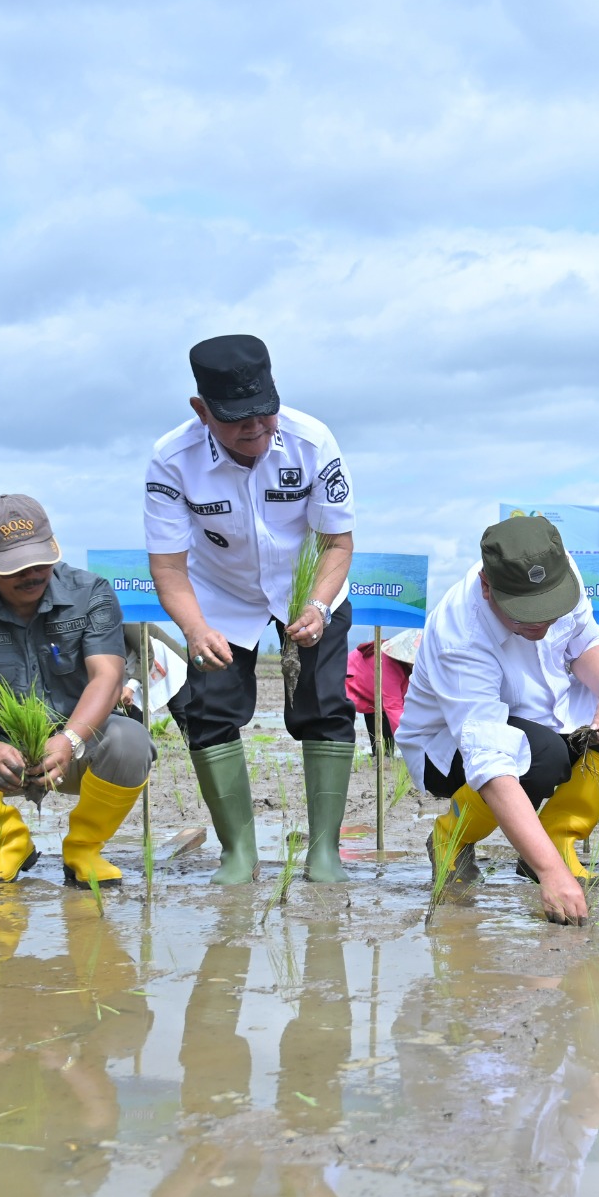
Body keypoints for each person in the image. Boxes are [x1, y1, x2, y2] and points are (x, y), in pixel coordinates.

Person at [144, 335, 357, 885]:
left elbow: (337, 545)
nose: (258, 431)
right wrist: (194, 628)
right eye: (239, 421)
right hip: (218, 596)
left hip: (309, 589)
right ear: (201, 410)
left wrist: (316, 604)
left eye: (266, 415)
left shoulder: (313, 442)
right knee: (209, 711)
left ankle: (325, 852)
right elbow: (169, 567)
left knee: (325, 708)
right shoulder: (172, 460)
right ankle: (238, 852)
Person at [400, 516, 599, 925]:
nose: (541, 623)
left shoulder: (560, 568)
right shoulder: (461, 632)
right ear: (487, 587)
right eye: (525, 616)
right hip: (452, 747)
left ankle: (558, 838)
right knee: (542, 756)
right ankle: (451, 837)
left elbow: (583, 636)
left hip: (551, 713)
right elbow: (489, 762)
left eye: (549, 610)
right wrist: (551, 875)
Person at [0, 496, 154, 885]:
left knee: (131, 741)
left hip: (76, 746)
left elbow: (107, 676)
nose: (32, 574)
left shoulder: (91, 593)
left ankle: (84, 849)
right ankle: (8, 843)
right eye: (14, 568)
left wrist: (69, 739)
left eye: (40, 560)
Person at [347, 627, 419, 750]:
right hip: (353, 681)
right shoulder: (389, 664)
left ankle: (384, 755)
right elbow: (394, 707)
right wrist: (411, 741)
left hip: (376, 692)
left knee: (387, 749)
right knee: (378, 739)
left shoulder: (409, 668)